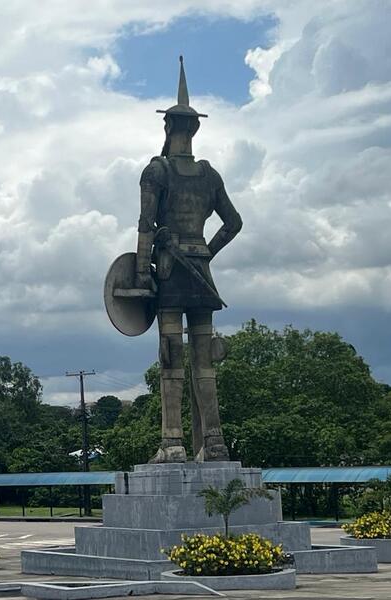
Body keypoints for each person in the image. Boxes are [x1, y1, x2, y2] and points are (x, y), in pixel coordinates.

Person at [135, 56, 242, 463]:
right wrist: (206, 252)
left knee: (170, 358)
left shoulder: (156, 171)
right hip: (202, 273)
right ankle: (214, 441)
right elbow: (233, 223)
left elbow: (146, 224)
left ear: (168, 127)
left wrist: (143, 272)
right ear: (194, 129)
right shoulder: (209, 175)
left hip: (170, 274)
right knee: (205, 359)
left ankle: (173, 442)